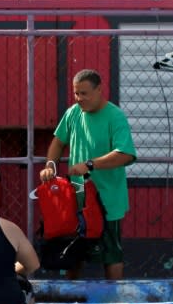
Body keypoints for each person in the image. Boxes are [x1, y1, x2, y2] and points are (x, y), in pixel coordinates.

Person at [39, 68, 137, 280]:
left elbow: (126, 154)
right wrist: (50, 166)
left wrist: (90, 164)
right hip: (76, 198)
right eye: (76, 93)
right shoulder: (73, 113)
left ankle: (114, 301)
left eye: (84, 93)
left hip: (107, 200)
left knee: (111, 254)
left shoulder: (115, 116)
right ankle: (72, 299)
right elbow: (58, 142)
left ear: (99, 90)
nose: (79, 98)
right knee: (73, 252)